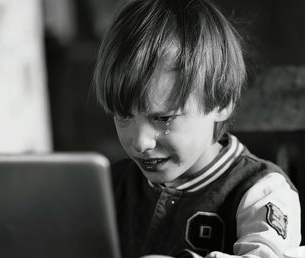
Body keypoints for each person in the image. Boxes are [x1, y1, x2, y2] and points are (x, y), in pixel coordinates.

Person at [93, 0, 301, 257]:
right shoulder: (108, 187)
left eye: (163, 118)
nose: (140, 142)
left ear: (221, 104)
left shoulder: (260, 190)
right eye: (123, 116)